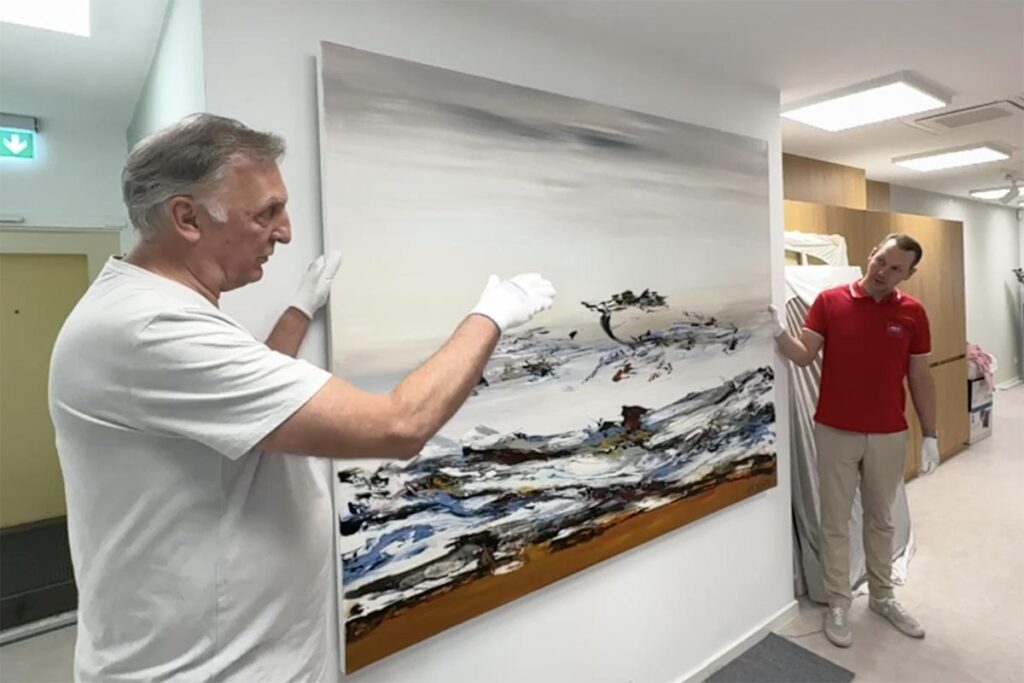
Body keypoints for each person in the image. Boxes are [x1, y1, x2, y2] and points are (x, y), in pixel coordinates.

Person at [48, 113, 555, 682]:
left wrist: (298, 310)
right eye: (265, 212)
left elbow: (247, 408)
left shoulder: (152, 310)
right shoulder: (150, 330)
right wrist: (491, 314)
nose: (285, 232)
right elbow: (400, 425)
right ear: (187, 218)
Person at [769, 233, 938, 649]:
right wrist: (776, 333)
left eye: (896, 268)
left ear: (909, 273)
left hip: (888, 432)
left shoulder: (913, 312)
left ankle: (882, 596)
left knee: (881, 518)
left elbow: (919, 375)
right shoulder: (829, 301)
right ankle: (839, 603)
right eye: (881, 260)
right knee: (835, 521)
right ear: (871, 253)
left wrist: (931, 433)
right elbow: (804, 355)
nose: (883, 272)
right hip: (835, 430)